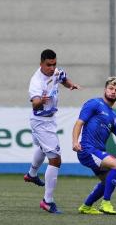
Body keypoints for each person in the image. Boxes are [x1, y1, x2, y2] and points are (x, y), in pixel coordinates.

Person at [24, 49, 81, 214]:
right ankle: (47, 202)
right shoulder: (36, 82)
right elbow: (34, 103)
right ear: (41, 63)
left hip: (48, 119)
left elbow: (62, 77)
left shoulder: (55, 71)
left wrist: (71, 85)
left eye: (54, 64)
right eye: (48, 65)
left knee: (43, 148)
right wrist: (40, 100)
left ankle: (32, 174)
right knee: (55, 160)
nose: (52, 67)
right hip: (41, 122)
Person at [72, 77, 116, 215]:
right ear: (105, 90)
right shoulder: (94, 103)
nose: (113, 92)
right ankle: (106, 203)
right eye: (110, 88)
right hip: (87, 149)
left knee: (107, 182)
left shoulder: (115, 116)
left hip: (98, 151)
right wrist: (75, 142)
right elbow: (79, 123)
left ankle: (86, 206)